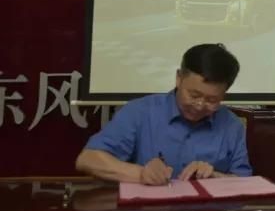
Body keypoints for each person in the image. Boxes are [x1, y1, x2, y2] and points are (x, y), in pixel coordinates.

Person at [76, 43, 252, 185]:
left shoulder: (232, 125)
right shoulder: (140, 112)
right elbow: (88, 159)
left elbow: (245, 182)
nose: (199, 106)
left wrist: (215, 177)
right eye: (194, 95)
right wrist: (141, 174)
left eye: (212, 100)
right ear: (178, 78)